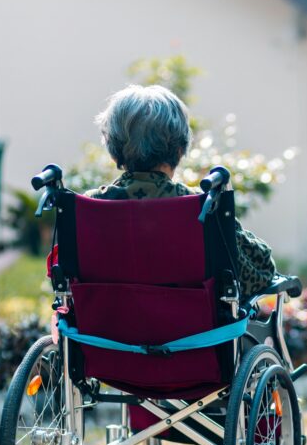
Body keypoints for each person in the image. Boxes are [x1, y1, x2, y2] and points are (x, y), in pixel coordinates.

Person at [85, 84, 276, 298]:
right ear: (179, 150)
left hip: (107, 328)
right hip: (191, 329)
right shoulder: (202, 206)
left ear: (114, 151)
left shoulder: (87, 208)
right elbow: (261, 272)